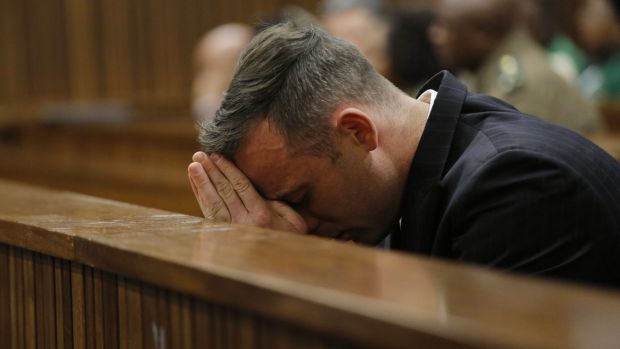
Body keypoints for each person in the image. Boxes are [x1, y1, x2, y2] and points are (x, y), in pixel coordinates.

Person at [187, 23, 620, 288]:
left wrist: (293, 270)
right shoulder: (434, 168)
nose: (300, 225)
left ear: (357, 132)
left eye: (299, 199)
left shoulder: (517, 186)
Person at [429, 0, 602, 134]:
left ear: (484, 33)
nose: (435, 36)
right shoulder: (484, 69)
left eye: (445, 27)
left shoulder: (520, 83)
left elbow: (506, 155)